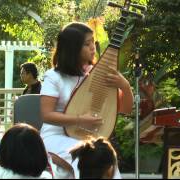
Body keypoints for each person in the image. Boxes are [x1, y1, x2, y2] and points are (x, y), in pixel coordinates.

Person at [40, 22, 134, 178]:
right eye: (87, 44)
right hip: (55, 136)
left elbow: (125, 109)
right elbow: (46, 115)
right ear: (73, 48)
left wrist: (124, 86)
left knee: (107, 160)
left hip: (88, 138)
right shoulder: (54, 77)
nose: (93, 47)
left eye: (93, 42)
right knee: (87, 159)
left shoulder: (97, 75)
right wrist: (79, 120)